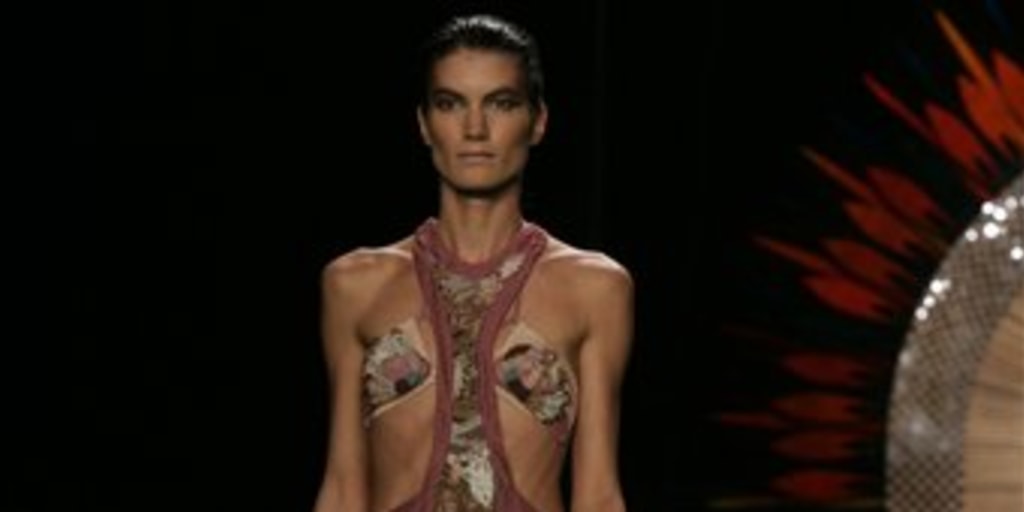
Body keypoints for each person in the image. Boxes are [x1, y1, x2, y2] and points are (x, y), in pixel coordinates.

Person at [313, 13, 633, 512]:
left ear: (538, 121)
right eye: (450, 103)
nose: (475, 129)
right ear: (424, 123)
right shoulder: (354, 285)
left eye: (501, 103)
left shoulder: (594, 287)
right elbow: (341, 488)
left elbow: (599, 496)